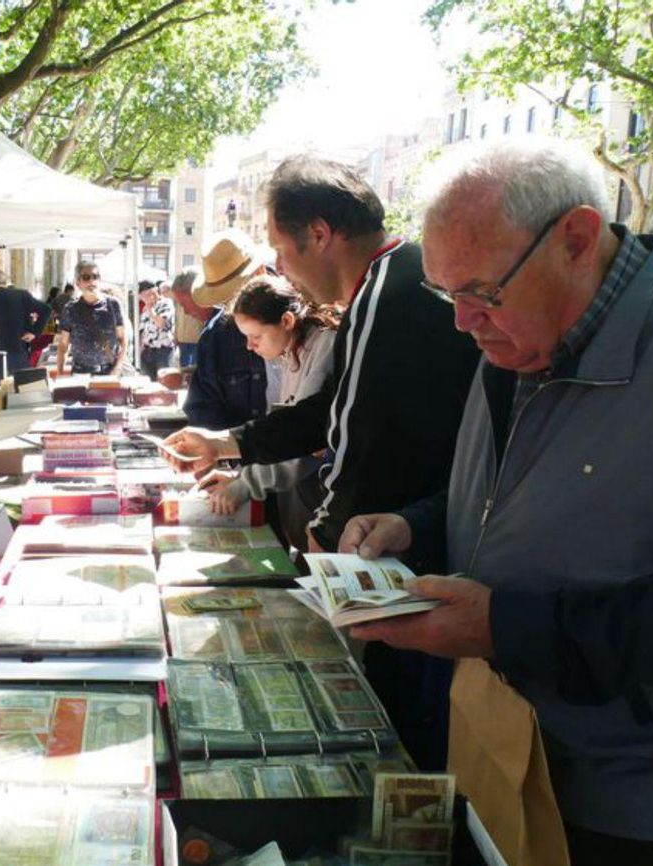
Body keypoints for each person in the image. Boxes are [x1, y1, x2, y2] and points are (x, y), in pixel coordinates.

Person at [337, 139, 653, 864]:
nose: (463, 323)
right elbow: (510, 490)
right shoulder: (518, 337)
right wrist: (415, 526)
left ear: (577, 240)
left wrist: (504, 626)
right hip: (503, 744)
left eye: (481, 293)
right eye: (447, 295)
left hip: (630, 802)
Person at [163, 157, 480, 769]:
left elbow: (358, 441)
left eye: (282, 249)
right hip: (420, 528)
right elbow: (327, 413)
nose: (280, 267)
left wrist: (327, 531)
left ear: (319, 234)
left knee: (399, 730)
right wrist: (226, 443)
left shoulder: (385, 296)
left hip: (413, 550)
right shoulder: (385, 286)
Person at [197, 274, 341, 550]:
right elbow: (278, 434)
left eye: (255, 336)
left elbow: (301, 441)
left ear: (286, 321)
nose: (249, 346)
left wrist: (246, 483)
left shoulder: (324, 347)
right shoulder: (290, 351)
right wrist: (241, 477)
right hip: (301, 506)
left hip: (323, 507)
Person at [181, 230, 271, 429]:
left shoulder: (302, 318)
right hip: (238, 456)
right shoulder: (215, 337)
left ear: (260, 273)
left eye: (237, 292)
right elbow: (203, 409)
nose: (234, 305)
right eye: (226, 299)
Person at [56, 260, 127, 375]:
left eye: (95, 276)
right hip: (80, 372)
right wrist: (60, 373)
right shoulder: (70, 309)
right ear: (78, 282)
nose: (91, 281)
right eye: (86, 277)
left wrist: (118, 367)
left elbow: (123, 339)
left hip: (108, 371)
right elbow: (63, 344)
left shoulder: (113, 305)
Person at [0, 268, 50, 385]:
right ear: (6, 281)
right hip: (19, 350)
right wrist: (34, 332)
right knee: (22, 390)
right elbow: (46, 309)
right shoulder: (21, 295)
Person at [169, 268, 210, 367]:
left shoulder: (218, 328)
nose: (186, 312)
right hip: (183, 338)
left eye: (185, 304)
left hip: (196, 338)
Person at [137, 280, 176, 378]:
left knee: (164, 384)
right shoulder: (145, 308)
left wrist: (150, 308)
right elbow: (142, 329)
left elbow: (161, 323)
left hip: (163, 351)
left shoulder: (166, 303)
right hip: (147, 352)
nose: (143, 299)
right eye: (141, 296)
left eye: (144, 295)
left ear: (154, 292)